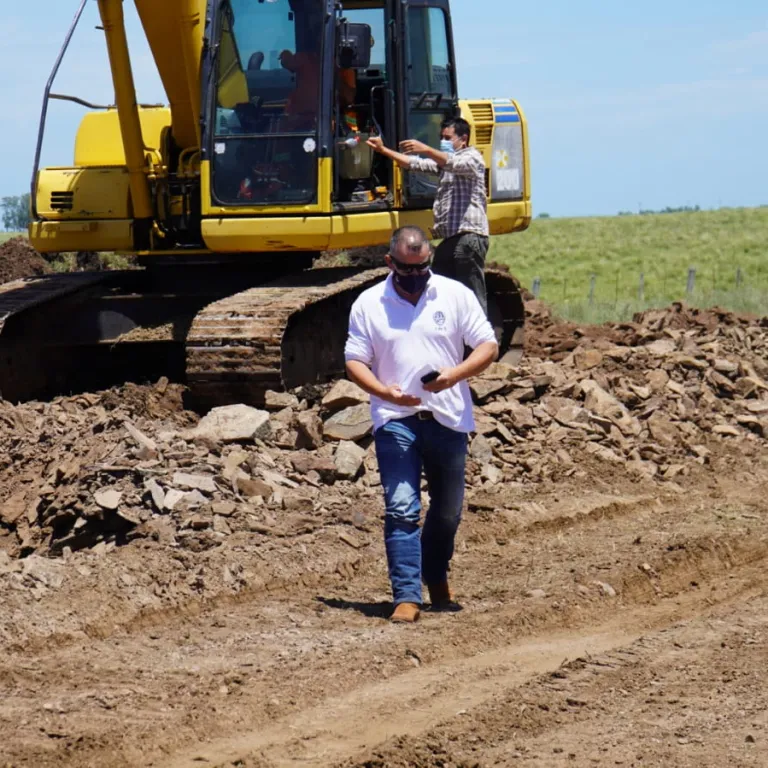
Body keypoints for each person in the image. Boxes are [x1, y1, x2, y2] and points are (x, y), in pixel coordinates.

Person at [344, 226, 499, 623]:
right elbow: (355, 360)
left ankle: (436, 573)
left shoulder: (454, 294)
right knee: (401, 507)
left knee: (447, 511)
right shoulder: (369, 303)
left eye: (422, 268)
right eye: (406, 269)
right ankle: (407, 596)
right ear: (389, 262)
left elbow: (487, 345)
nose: (415, 276)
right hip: (395, 419)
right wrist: (384, 391)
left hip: (448, 417)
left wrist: (453, 375)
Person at [366, 118, 491, 314]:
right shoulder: (444, 165)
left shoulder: (472, 158)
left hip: (469, 236)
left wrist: (425, 149)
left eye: (448, 138)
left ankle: (480, 329)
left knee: (471, 294)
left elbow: (452, 162)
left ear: (463, 139)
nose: (443, 142)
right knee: (438, 284)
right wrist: (383, 150)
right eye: (441, 138)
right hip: (452, 238)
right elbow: (414, 163)